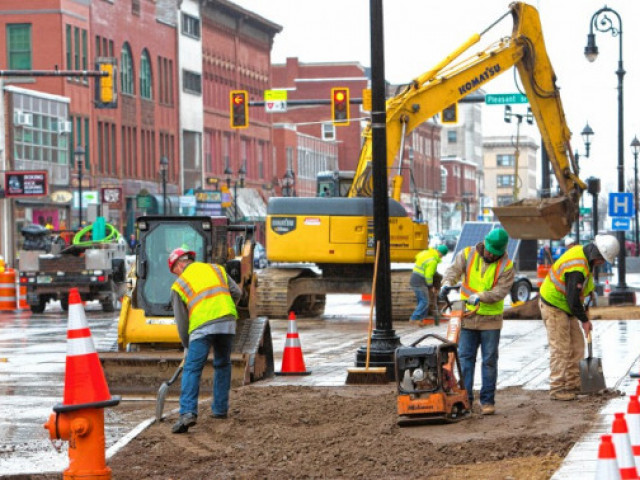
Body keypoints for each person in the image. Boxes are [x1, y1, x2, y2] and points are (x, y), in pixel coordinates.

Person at [439, 228, 514, 415]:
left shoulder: (506, 265)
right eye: (489, 251)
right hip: (468, 316)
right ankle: (466, 400)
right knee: (465, 358)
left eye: (494, 253)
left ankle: (487, 401)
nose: (490, 255)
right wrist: (447, 283)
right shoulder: (467, 253)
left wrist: (480, 296)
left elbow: (501, 291)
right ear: (485, 245)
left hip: (491, 319)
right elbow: (453, 271)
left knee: (489, 360)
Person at [168, 247, 242, 434]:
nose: (175, 274)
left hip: (202, 326)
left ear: (179, 265)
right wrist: (224, 310)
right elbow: (237, 292)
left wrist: (186, 343)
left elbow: (182, 321)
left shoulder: (179, 284)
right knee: (223, 364)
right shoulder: (216, 269)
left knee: (192, 368)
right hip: (227, 321)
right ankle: (219, 409)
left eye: (174, 270)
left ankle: (187, 413)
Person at [539, 234, 618, 401]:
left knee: (577, 345)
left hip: (567, 306)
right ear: (597, 255)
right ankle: (557, 387)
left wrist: (585, 313)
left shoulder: (586, 260)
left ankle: (573, 383)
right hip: (554, 305)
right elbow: (572, 298)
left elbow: (582, 293)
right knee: (561, 347)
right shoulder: (577, 267)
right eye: (602, 260)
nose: (602, 264)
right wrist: (584, 320)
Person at [409, 244, 448, 322]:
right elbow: (429, 275)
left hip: (414, 279)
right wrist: (430, 286)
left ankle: (421, 320)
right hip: (420, 281)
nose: (441, 257)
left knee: (421, 301)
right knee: (424, 302)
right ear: (441, 253)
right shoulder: (433, 260)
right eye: (442, 255)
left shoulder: (426, 254)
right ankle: (414, 319)